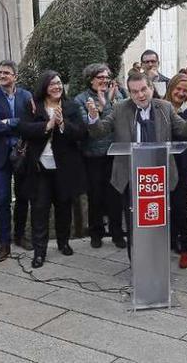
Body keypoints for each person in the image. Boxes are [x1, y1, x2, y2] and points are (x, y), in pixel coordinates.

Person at [86, 72, 187, 256]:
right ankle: (136, 263)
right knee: (134, 223)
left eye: (144, 89)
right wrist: (94, 117)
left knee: (158, 220)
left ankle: (158, 260)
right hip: (130, 176)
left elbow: (184, 130)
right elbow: (99, 131)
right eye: (134, 92)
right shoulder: (120, 109)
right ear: (129, 93)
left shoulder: (165, 107)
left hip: (159, 177)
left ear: (151, 88)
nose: (140, 95)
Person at [18, 71, 87, 268]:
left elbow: (81, 132)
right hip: (39, 168)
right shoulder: (33, 106)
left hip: (64, 168)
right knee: (40, 209)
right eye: (52, 84)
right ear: (44, 88)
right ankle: (39, 252)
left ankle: (63, 242)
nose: (57, 87)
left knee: (64, 207)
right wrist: (47, 125)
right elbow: (23, 129)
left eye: (59, 83)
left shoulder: (71, 106)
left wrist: (63, 123)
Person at [0, 61, 34, 261]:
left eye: (6, 73)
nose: (2, 75)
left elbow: (30, 122)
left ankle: (20, 235)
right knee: (2, 200)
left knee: (23, 197)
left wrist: (9, 122)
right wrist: (15, 124)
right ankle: (4, 244)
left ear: (15, 77)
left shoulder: (26, 96)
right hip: (0, 156)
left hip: (22, 153)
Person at [74, 63, 126, 249]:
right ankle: (96, 233)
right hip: (93, 155)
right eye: (100, 77)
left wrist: (108, 103)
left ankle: (117, 233)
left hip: (116, 153)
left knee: (115, 195)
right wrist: (105, 108)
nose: (104, 80)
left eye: (106, 77)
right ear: (90, 79)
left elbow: (123, 119)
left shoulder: (120, 94)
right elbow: (88, 126)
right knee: (95, 195)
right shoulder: (81, 99)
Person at [162, 74, 187, 267]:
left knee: (180, 208)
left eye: (185, 91)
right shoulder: (159, 108)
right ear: (171, 87)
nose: (181, 93)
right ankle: (169, 240)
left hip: (182, 167)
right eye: (179, 89)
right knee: (164, 207)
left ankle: (186, 248)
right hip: (160, 165)